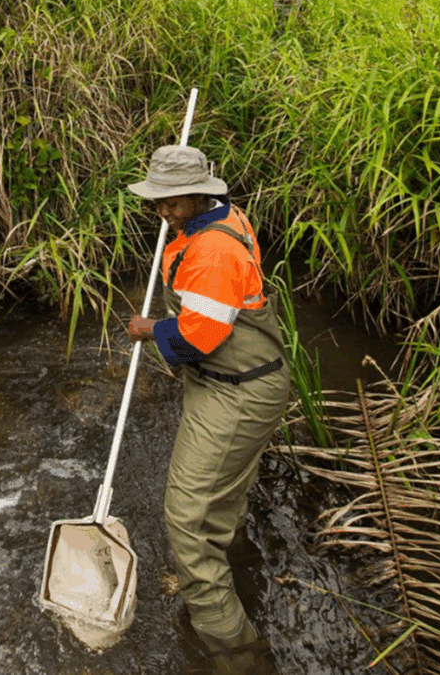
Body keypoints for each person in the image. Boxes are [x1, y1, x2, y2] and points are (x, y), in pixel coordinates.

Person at [124, 145, 290, 657]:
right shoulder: (217, 220)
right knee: (223, 496)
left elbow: (200, 338)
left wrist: (149, 328)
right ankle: (235, 561)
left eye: (171, 203)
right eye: (158, 201)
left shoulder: (214, 250)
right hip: (239, 379)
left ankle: (231, 648)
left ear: (200, 194)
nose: (162, 212)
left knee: (186, 518)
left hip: (236, 387)